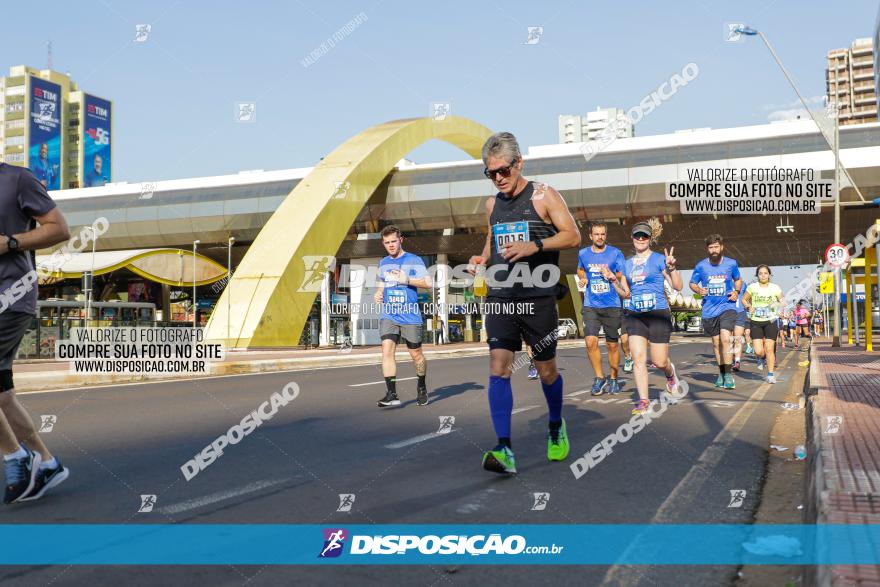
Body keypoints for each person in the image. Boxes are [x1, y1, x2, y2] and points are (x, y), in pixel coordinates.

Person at [468, 132, 581, 474]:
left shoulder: (544, 195)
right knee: (498, 367)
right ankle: (504, 449)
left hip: (538, 298)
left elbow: (573, 236)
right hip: (502, 298)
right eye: (491, 173)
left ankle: (556, 424)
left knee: (546, 371)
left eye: (503, 170)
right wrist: (482, 258)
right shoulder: (492, 205)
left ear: (519, 163)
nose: (498, 178)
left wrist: (535, 246)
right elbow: (492, 237)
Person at [0, 162, 71, 503]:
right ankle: (47, 461)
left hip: (12, 295)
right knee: (2, 395)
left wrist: (10, 242)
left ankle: (15, 456)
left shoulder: (18, 179)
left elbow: (59, 229)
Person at [606, 220, 683, 415]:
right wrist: (613, 281)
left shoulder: (659, 260)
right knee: (638, 358)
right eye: (637, 236)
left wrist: (672, 268)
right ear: (632, 239)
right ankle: (644, 401)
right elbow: (625, 294)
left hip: (657, 313)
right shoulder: (627, 264)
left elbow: (678, 286)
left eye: (644, 236)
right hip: (635, 315)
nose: (640, 239)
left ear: (650, 239)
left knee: (659, 361)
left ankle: (670, 374)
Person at [373, 226, 432, 407]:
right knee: (386, 351)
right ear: (383, 243)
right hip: (389, 314)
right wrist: (378, 293)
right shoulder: (383, 262)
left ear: (401, 240)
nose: (390, 245)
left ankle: (421, 386)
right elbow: (381, 284)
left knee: (416, 354)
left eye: (393, 241)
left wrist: (407, 280)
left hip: (410, 316)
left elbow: (428, 283)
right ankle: (392, 394)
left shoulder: (414, 260)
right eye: (387, 242)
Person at [576, 221, 626, 395]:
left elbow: (622, 273)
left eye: (602, 234)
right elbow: (580, 269)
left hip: (612, 304)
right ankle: (599, 377)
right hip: (591, 304)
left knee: (612, 345)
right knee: (590, 342)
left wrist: (611, 275)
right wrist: (584, 278)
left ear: (606, 235)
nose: (600, 237)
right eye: (596, 234)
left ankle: (613, 378)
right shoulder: (583, 253)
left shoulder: (615, 253)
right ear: (591, 236)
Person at [689, 234, 743, 390]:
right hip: (709, 309)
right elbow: (692, 283)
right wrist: (698, 289)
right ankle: (721, 372)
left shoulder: (731, 264)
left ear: (721, 247)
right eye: (711, 247)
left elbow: (737, 279)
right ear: (707, 249)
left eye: (716, 247)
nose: (713, 250)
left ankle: (728, 374)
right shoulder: (701, 266)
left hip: (727, 306)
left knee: (726, 339)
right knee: (716, 342)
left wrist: (736, 291)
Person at [742, 265, 784, 384]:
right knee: (759, 351)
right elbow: (744, 299)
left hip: (771, 321)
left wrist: (777, 308)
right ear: (757, 275)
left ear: (769, 275)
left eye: (765, 273)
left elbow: (782, 301)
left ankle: (770, 374)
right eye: (760, 273)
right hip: (756, 321)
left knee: (769, 348)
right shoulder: (752, 287)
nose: (763, 275)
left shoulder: (775, 287)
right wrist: (749, 306)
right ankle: (761, 358)